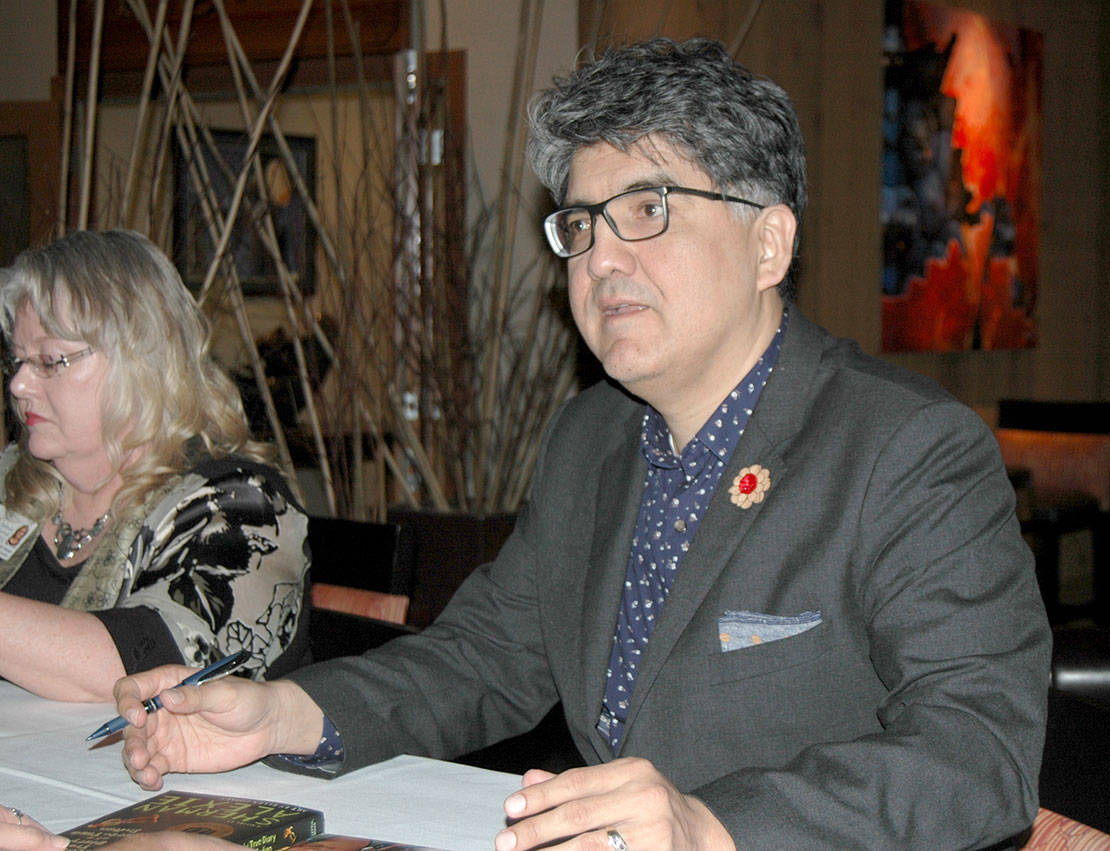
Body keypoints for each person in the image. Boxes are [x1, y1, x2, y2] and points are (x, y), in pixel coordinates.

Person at [113, 38, 1050, 849]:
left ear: (768, 245)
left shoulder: (908, 449)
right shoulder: (592, 434)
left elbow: (979, 753)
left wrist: (713, 827)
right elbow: (487, 655)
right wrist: (285, 711)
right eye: (580, 225)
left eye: (648, 209)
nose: (601, 258)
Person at [0, 230, 309, 703]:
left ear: (138, 360)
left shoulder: (243, 504)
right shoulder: (10, 481)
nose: (19, 384)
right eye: (18, 361)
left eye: (49, 360)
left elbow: (160, 665)